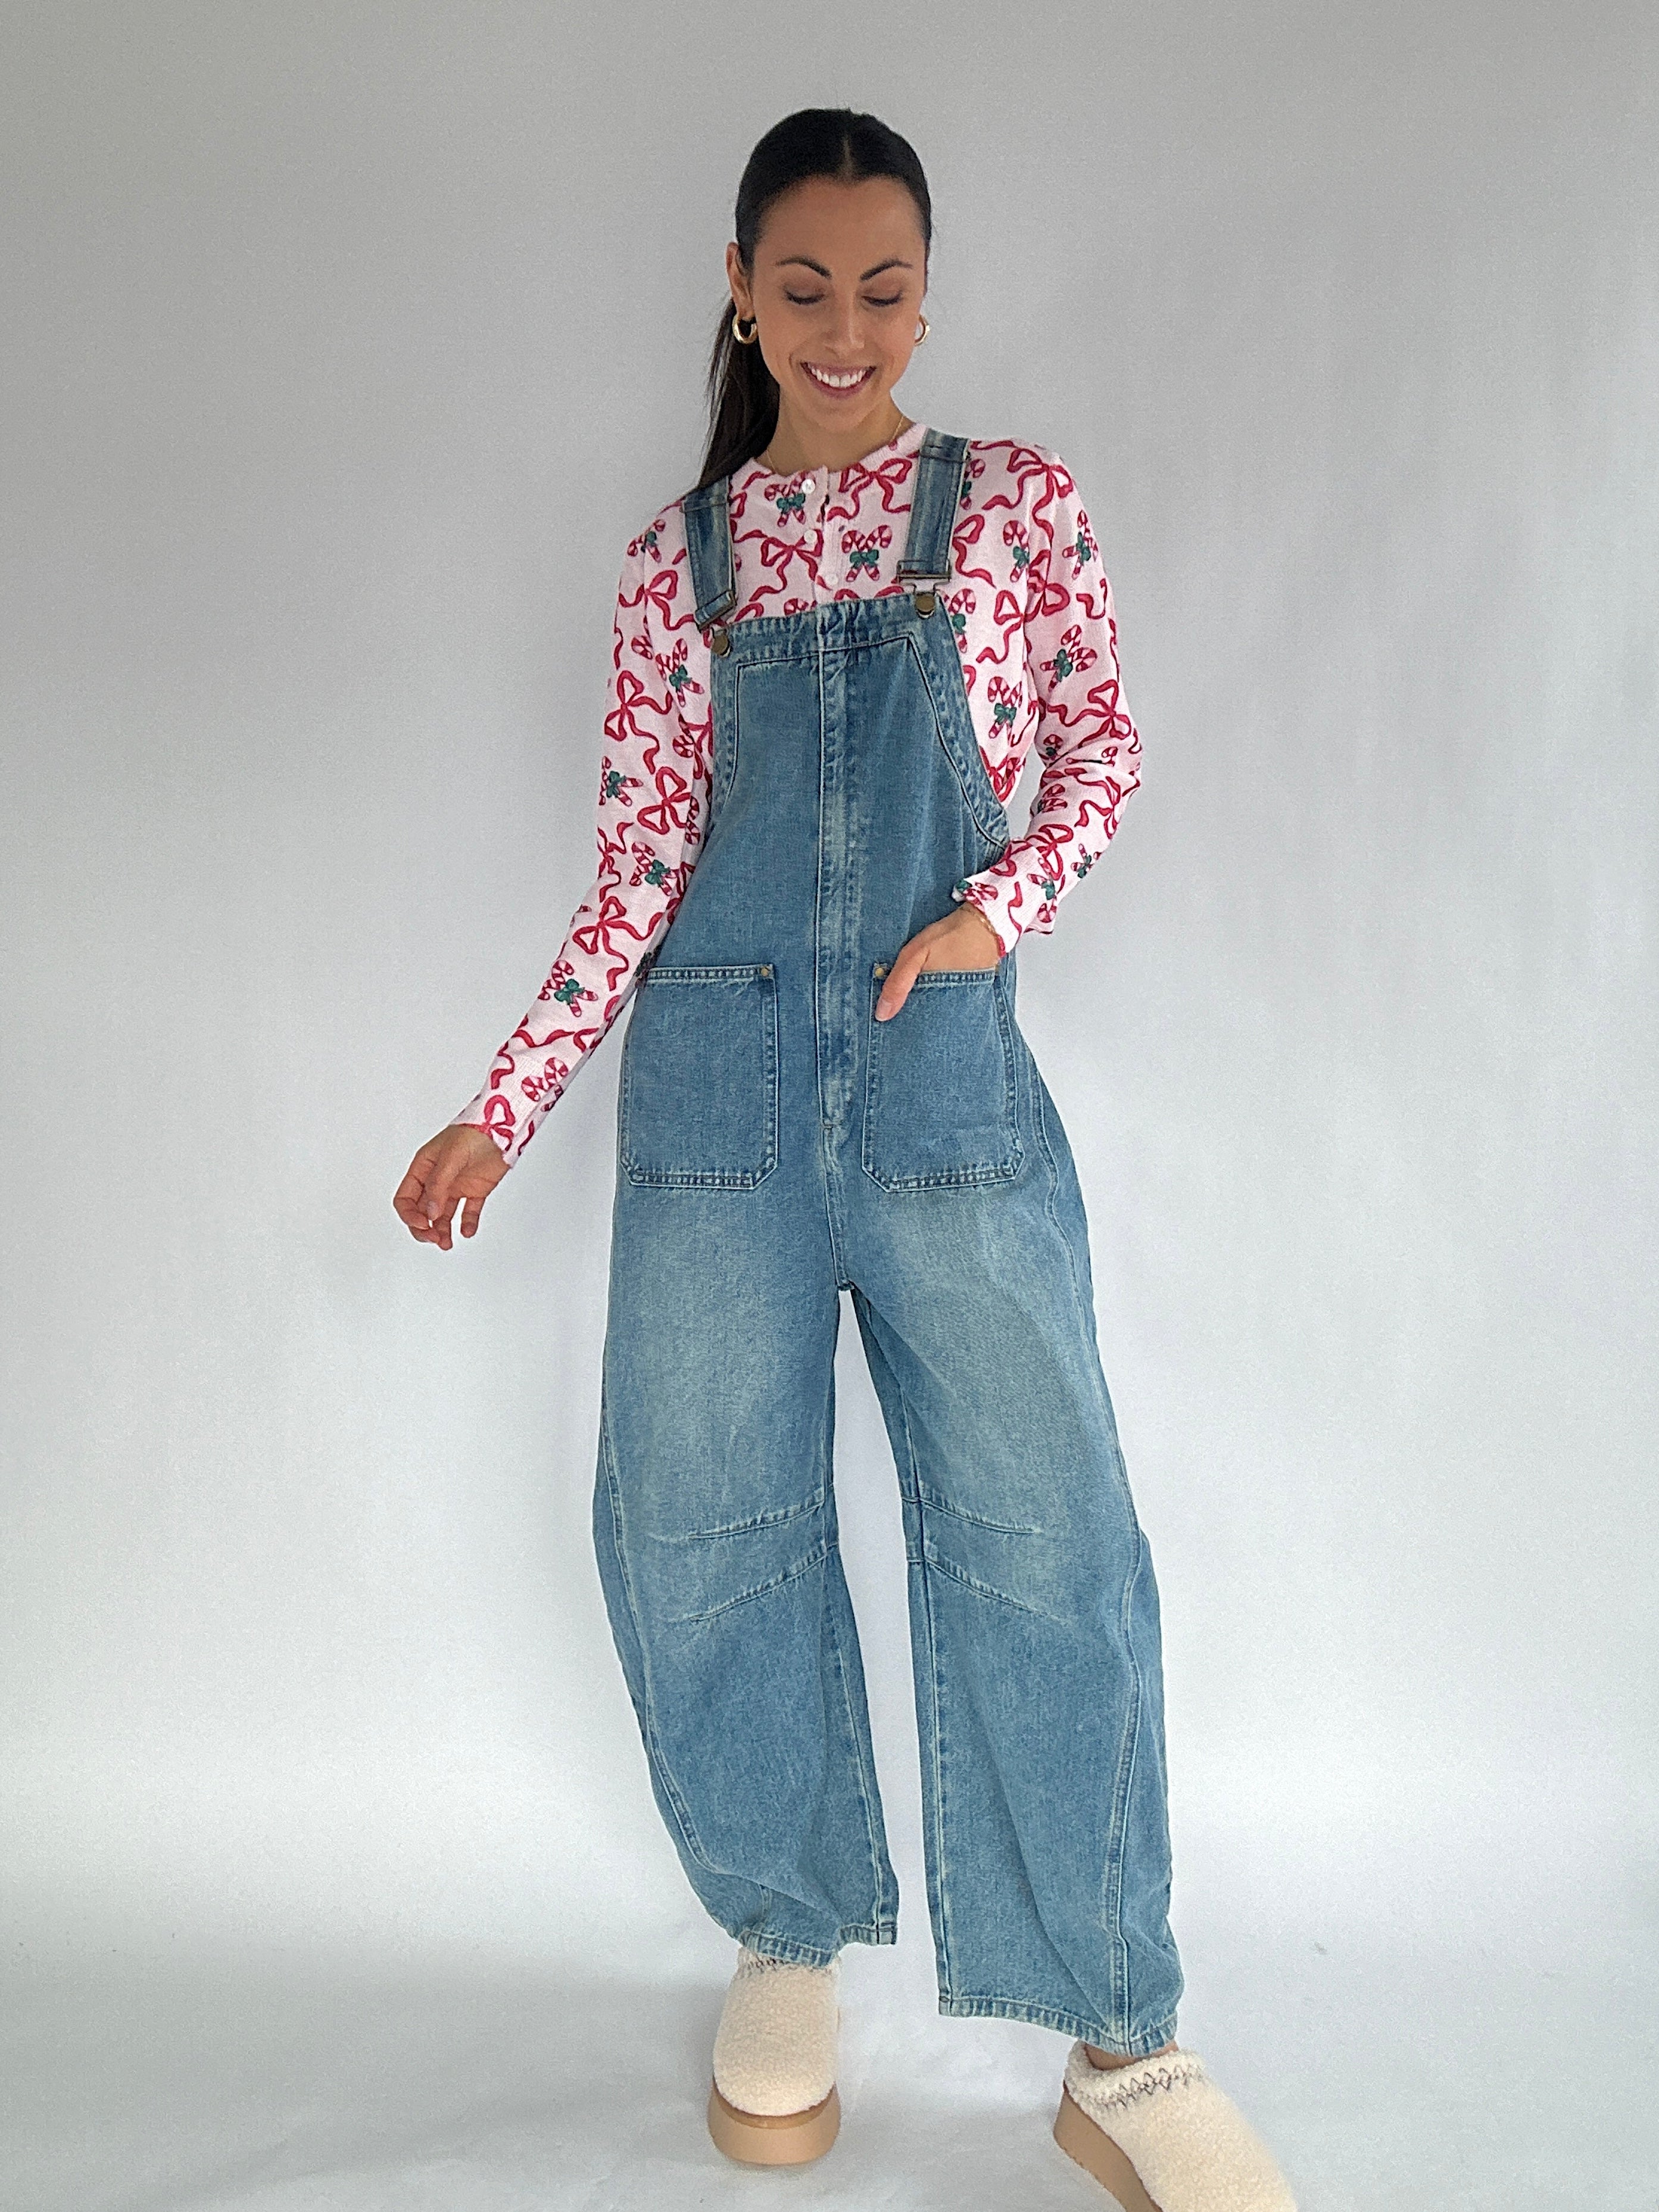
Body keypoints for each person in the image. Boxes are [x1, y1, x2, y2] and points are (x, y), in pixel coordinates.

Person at [394, 106, 1296, 2210]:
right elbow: (638, 871)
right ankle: (784, 1934)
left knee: (1050, 1527)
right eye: (802, 285)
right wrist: (502, 1103)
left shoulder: (1012, 505)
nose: (843, 324)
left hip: (939, 1080)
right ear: (737, 287)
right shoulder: (678, 567)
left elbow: (1099, 749)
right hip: (711, 1103)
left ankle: (1120, 2038)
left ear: (925, 293)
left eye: (884, 287)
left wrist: (996, 911)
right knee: (697, 1517)